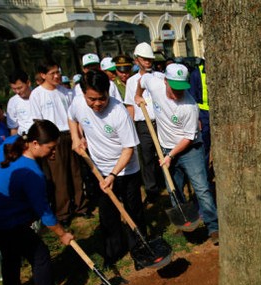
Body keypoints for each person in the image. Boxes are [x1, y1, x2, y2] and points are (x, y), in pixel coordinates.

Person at [0, 120, 73, 285]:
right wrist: (63, 234)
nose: (53, 152)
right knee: (40, 256)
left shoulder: (13, 142)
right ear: (36, 144)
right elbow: (45, 213)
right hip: (3, 218)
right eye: (50, 148)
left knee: (11, 257)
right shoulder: (32, 173)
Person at [69, 70, 165, 269]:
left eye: (101, 99)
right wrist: (76, 138)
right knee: (107, 216)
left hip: (126, 171)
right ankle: (112, 253)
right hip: (99, 169)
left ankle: (139, 250)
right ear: (84, 94)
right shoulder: (78, 103)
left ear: (108, 93)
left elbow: (128, 149)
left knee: (133, 213)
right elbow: (72, 118)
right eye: (91, 99)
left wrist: (113, 175)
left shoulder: (118, 112)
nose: (96, 104)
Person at [135, 63, 220, 244]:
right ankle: (184, 225)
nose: (179, 93)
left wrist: (170, 156)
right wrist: (137, 95)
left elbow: (188, 138)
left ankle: (214, 228)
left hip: (190, 150)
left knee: (202, 188)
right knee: (175, 190)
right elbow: (142, 80)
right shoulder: (155, 84)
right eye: (175, 88)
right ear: (165, 81)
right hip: (165, 149)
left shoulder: (189, 106)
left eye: (182, 88)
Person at [29, 59, 88, 225]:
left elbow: (75, 117)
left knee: (75, 172)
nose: (57, 76)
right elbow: (37, 121)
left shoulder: (67, 92)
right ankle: (63, 212)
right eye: (52, 73)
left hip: (70, 134)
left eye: (58, 72)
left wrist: (80, 136)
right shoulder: (37, 94)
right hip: (51, 138)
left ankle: (80, 206)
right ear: (43, 75)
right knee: (58, 176)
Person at [125, 42, 163, 204]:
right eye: (144, 59)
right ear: (136, 60)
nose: (148, 62)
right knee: (146, 158)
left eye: (150, 59)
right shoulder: (132, 82)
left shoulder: (160, 77)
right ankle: (152, 190)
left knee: (165, 155)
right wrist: (131, 128)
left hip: (160, 122)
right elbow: (130, 106)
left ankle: (169, 184)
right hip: (143, 125)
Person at [189, 59, 212, 175]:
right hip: (203, 114)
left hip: (216, 114)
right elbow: (192, 97)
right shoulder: (196, 74)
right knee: (205, 147)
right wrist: (196, 118)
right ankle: (205, 174)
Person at [7, 69, 34, 136]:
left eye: (20, 88)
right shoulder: (12, 102)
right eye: (14, 89)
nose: (17, 92)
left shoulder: (39, 95)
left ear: (28, 83)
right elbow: (13, 128)